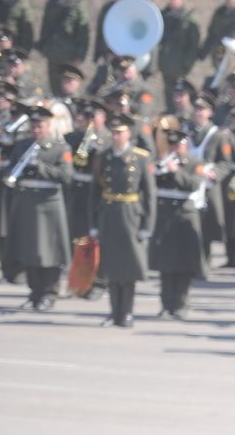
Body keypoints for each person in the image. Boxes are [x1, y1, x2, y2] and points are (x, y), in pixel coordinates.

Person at [87, 113, 154, 328]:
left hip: (130, 215)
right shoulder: (103, 156)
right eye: (113, 132)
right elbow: (94, 192)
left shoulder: (141, 157)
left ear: (128, 133)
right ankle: (113, 312)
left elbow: (150, 194)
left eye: (120, 132)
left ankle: (127, 312)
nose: (116, 136)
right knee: (111, 267)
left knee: (129, 267)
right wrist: (94, 223)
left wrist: (147, 226)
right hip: (109, 214)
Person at [1, 104, 70, 311]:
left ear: (48, 126)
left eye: (40, 126)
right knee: (30, 251)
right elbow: (10, 168)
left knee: (49, 253)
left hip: (48, 205)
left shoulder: (60, 148)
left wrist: (41, 167)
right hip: (27, 203)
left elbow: (66, 176)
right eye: (34, 125)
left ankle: (49, 293)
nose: (36, 130)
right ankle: (34, 293)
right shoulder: (22, 146)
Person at [148, 120, 207, 318]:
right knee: (165, 265)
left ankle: (181, 305)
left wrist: (176, 171)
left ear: (186, 145)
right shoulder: (161, 161)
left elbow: (193, 185)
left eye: (179, 145)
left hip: (185, 216)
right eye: (172, 145)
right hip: (165, 217)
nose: (176, 149)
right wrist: (159, 170)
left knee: (183, 265)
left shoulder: (195, 164)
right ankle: (166, 305)